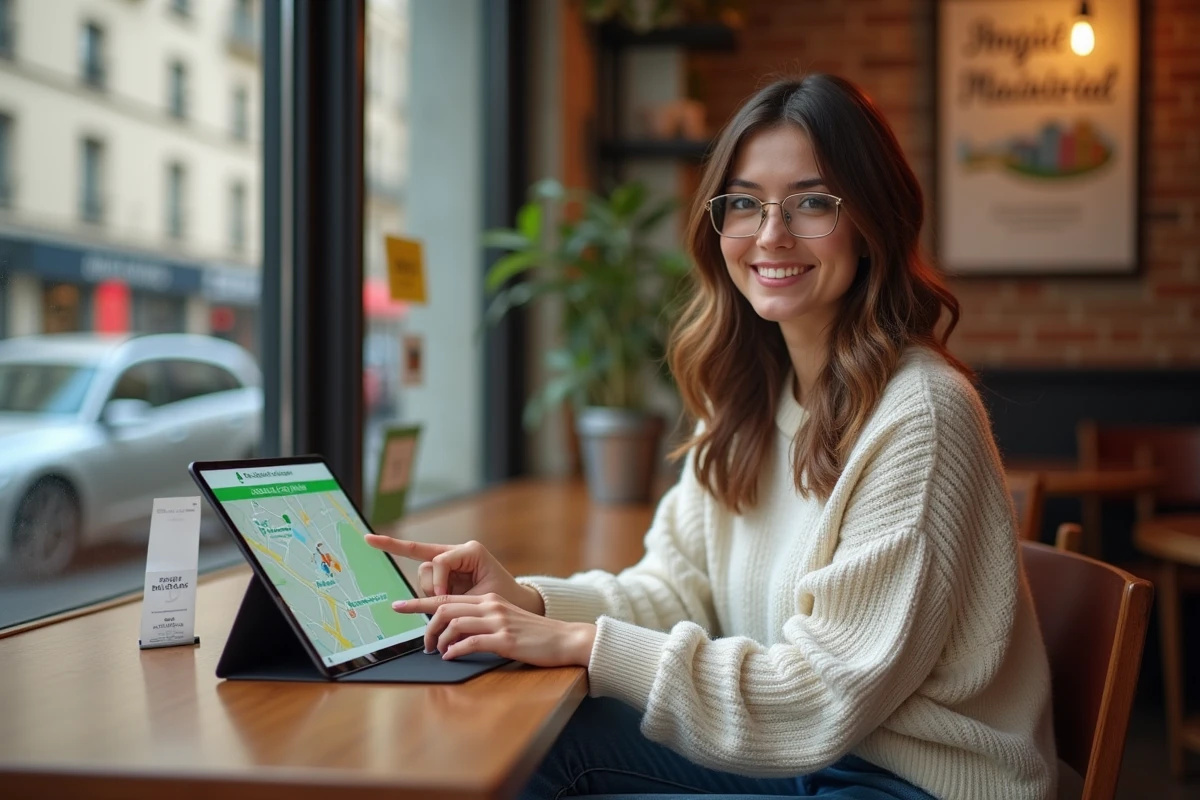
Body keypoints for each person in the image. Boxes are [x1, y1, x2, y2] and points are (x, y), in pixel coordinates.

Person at [366, 73, 1056, 800]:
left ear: (873, 221)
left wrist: (581, 644)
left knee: (539, 756)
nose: (772, 234)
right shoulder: (746, 399)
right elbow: (675, 592)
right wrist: (533, 605)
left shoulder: (922, 415)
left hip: (907, 782)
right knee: (523, 740)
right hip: (812, 760)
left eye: (813, 202)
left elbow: (823, 695)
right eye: (746, 204)